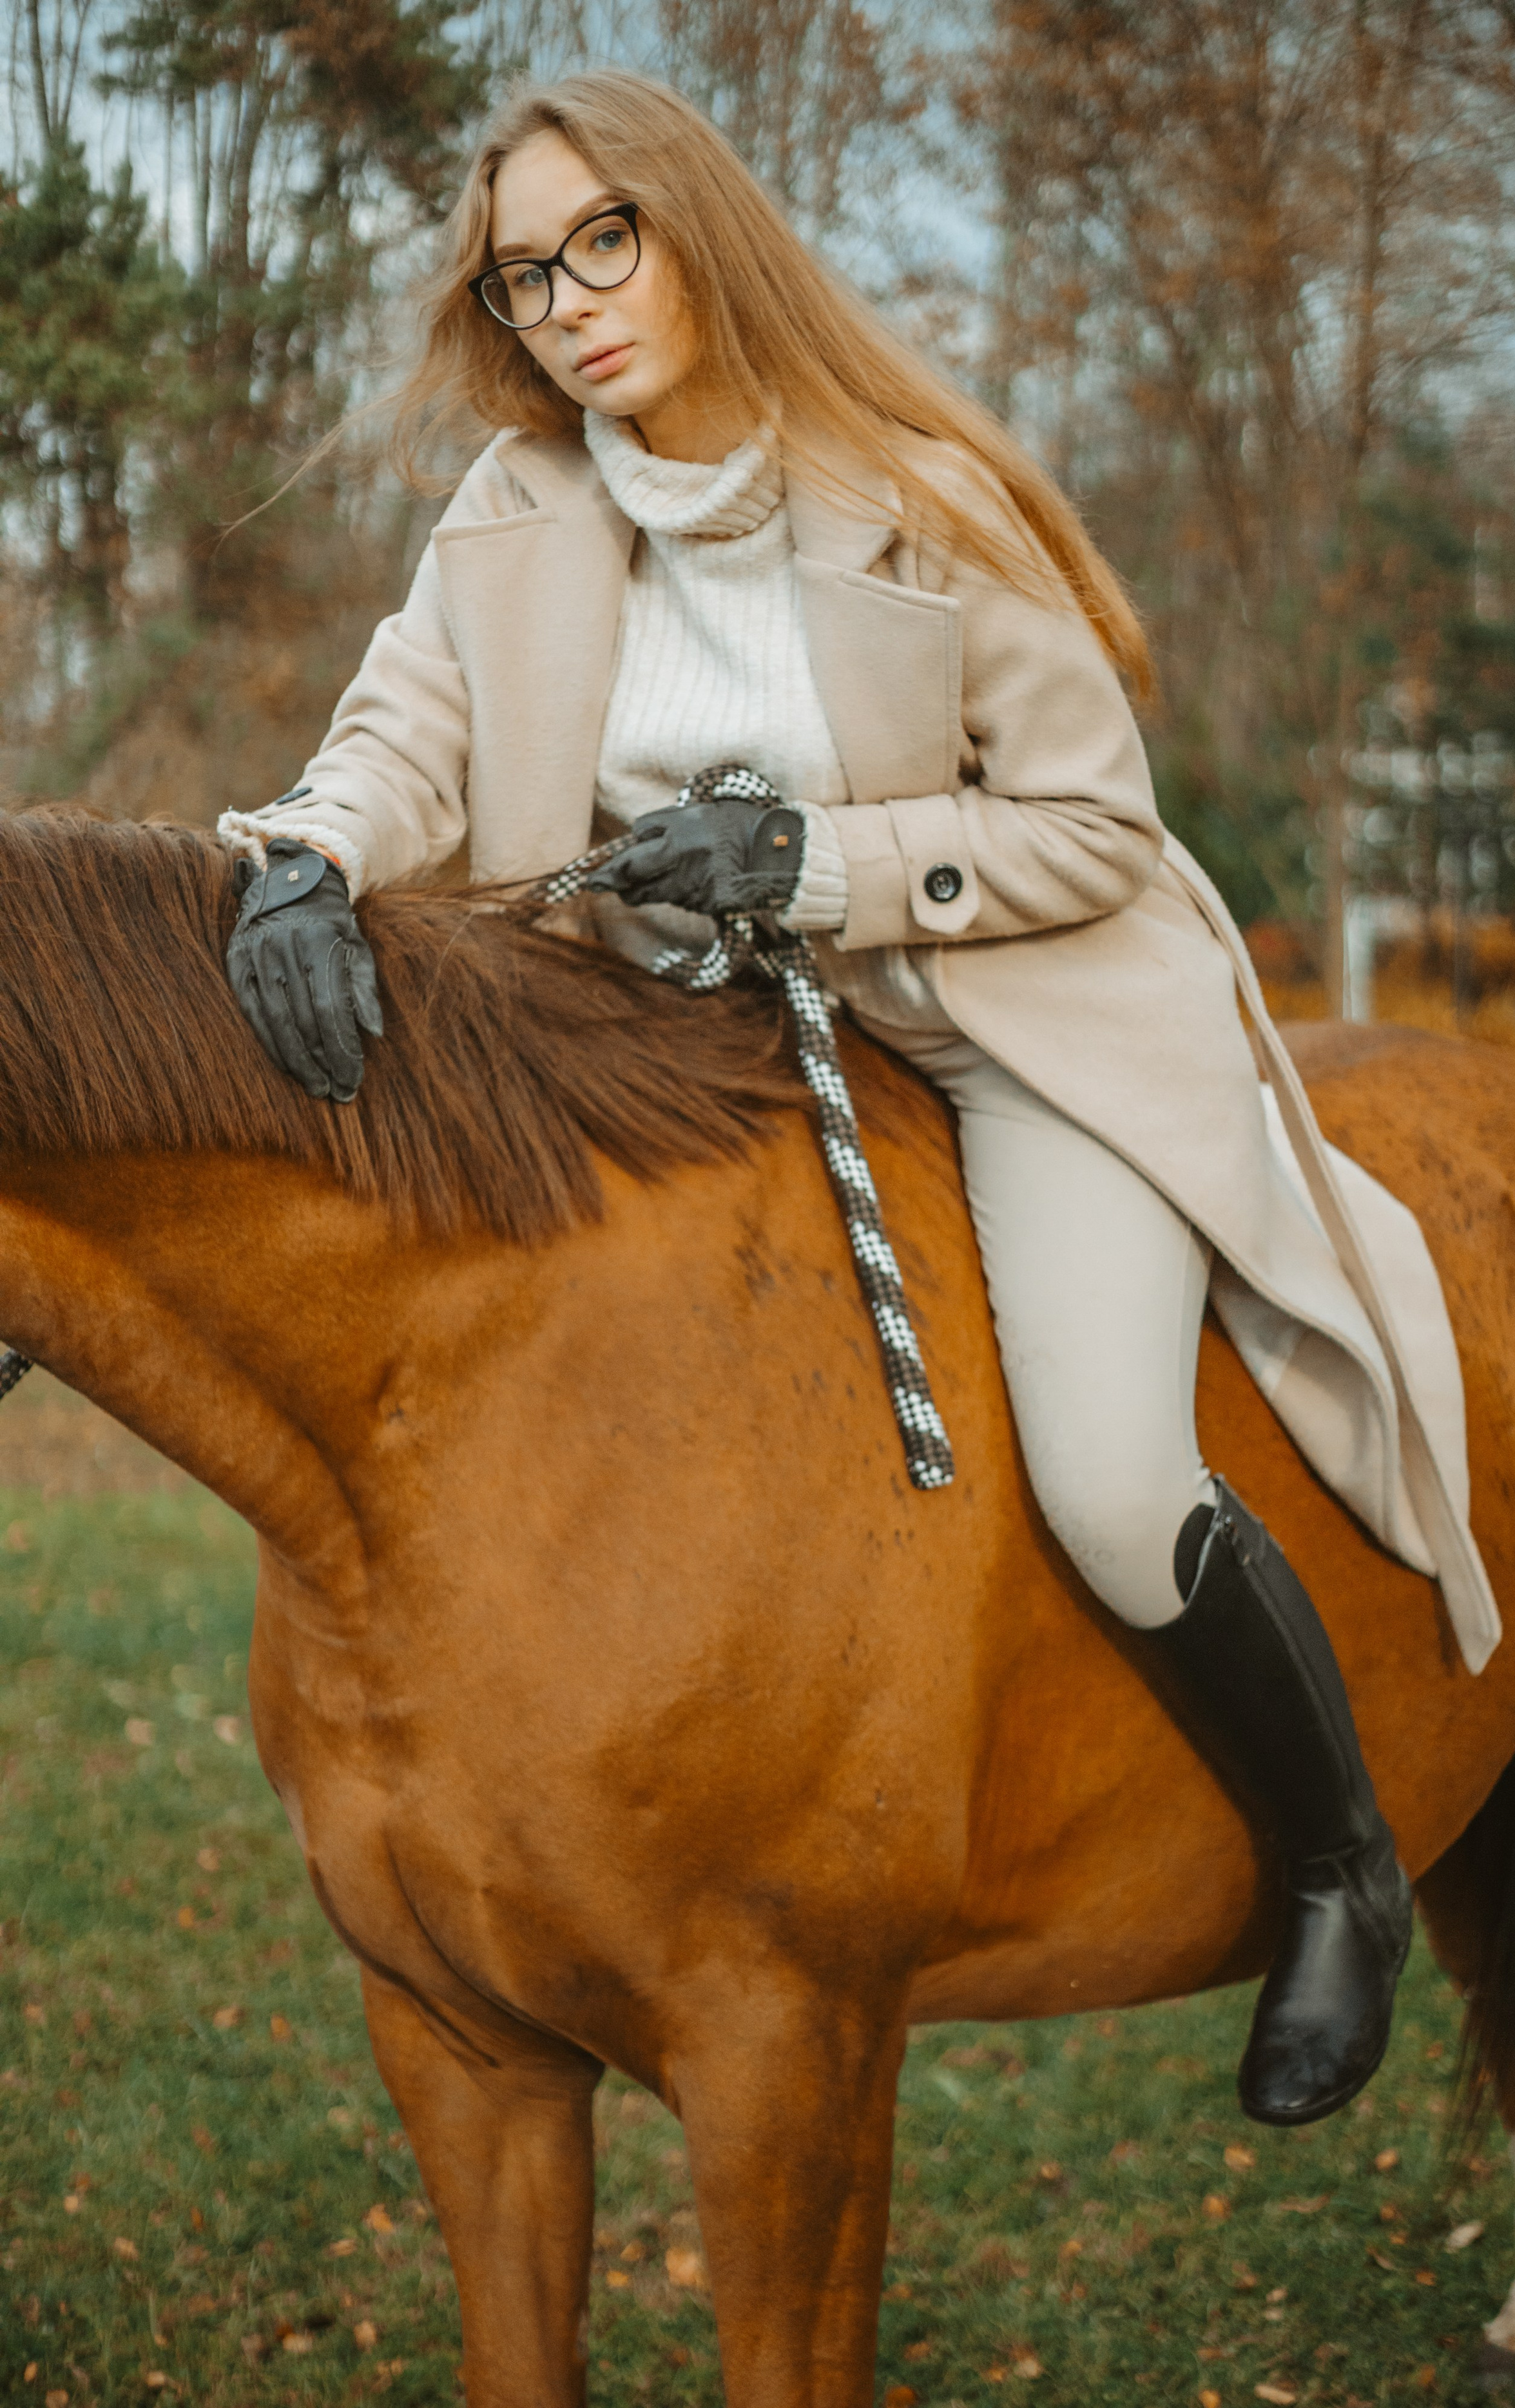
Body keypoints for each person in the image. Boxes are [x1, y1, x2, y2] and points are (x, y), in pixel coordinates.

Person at [218, 68, 1440, 2129]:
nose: (573, 301)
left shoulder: (921, 497)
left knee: (1115, 1474)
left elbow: (1094, 831)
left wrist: (816, 862)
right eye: (527, 276)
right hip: (702, 1058)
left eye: (607, 238)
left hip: (1009, 1022)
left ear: (698, 227)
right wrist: (308, 857)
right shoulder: (516, 511)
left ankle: (1344, 1864)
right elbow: (400, 729)